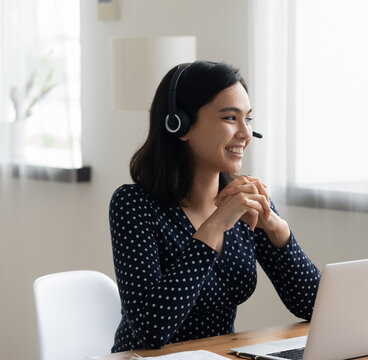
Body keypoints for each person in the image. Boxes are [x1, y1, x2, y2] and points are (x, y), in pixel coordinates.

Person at [108, 61, 321, 352]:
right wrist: (215, 226)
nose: (246, 134)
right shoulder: (134, 205)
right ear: (179, 125)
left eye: (248, 119)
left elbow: (314, 307)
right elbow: (152, 330)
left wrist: (280, 232)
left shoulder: (245, 201)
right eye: (231, 118)